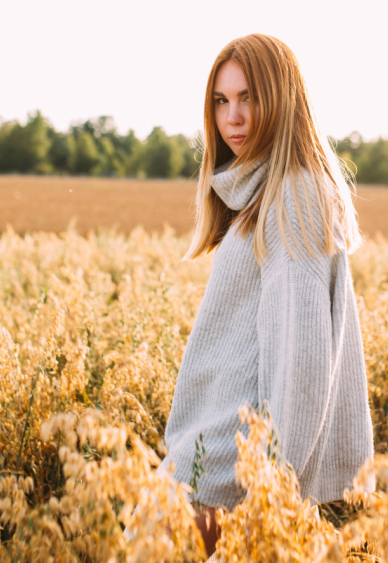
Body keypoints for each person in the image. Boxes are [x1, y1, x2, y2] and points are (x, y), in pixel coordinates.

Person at [159, 34, 374, 556]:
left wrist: (272, 487)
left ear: (281, 99)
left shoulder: (293, 195)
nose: (231, 117)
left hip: (229, 465)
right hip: (210, 455)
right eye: (221, 101)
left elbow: (302, 362)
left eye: (248, 98)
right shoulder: (267, 194)